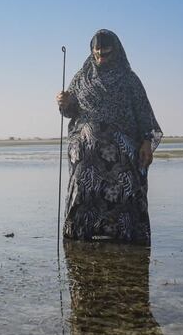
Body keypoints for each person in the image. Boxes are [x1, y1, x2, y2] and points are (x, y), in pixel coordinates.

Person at [56, 29, 162, 245]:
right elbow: (71, 112)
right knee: (84, 189)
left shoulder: (129, 80)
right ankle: (82, 233)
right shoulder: (81, 78)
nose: (100, 57)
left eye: (105, 53)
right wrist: (64, 103)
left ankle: (124, 234)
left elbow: (144, 115)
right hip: (87, 156)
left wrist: (146, 143)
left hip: (121, 153)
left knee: (125, 190)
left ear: (116, 52)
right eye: (97, 53)